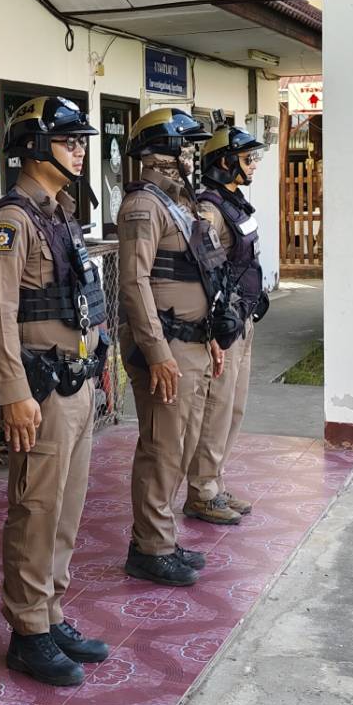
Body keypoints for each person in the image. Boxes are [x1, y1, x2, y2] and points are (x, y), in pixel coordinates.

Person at [0, 96, 112, 686]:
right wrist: (13, 394)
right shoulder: (12, 221)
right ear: (34, 147)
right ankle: (28, 629)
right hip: (40, 392)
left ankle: (51, 612)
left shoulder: (58, 213)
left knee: (66, 508)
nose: (80, 151)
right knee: (36, 510)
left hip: (75, 383)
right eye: (69, 141)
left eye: (82, 141)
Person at [115, 108, 226, 587]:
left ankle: (161, 536)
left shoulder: (177, 203)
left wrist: (212, 335)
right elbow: (135, 282)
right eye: (183, 147)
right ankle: (150, 547)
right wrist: (158, 352)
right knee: (162, 447)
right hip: (167, 345)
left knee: (181, 445)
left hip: (193, 342)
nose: (190, 156)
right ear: (159, 152)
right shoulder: (143, 206)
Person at [186, 126, 271, 526]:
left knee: (234, 408)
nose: (253, 165)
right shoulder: (209, 209)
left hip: (243, 319)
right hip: (224, 327)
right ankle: (202, 491)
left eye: (254, 158)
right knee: (216, 410)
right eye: (247, 158)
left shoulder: (235, 204)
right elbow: (204, 271)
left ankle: (216, 482)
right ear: (224, 162)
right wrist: (214, 328)